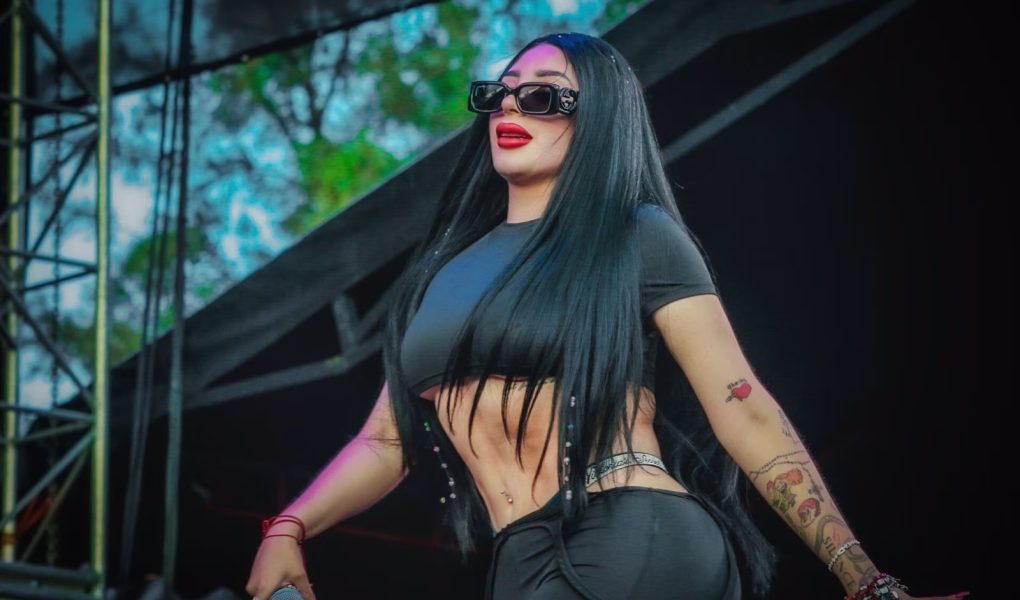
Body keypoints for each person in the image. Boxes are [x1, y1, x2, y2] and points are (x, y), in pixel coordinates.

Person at [246, 32, 970, 600]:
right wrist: (289, 527)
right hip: (516, 557)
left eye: (544, 96)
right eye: (500, 93)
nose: (511, 107)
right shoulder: (439, 273)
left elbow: (741, 404)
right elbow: (386, 440)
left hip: (630, 527)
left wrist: (863, 579)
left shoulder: (636, 236)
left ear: (598, 119)